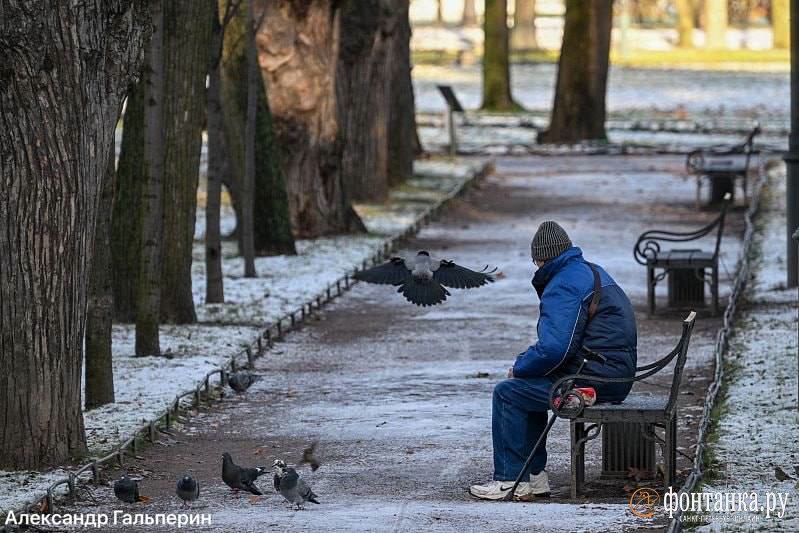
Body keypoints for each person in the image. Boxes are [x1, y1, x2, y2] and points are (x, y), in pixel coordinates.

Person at [469, 221, 638, 501]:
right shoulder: (589, 271)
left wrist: (520, 366)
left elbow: (555, 349)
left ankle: (511, 479)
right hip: (612, 373)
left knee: (508, 393)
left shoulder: (564, 284)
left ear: (539, 258)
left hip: (596, 381)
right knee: (526, 386)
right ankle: (534, 477)